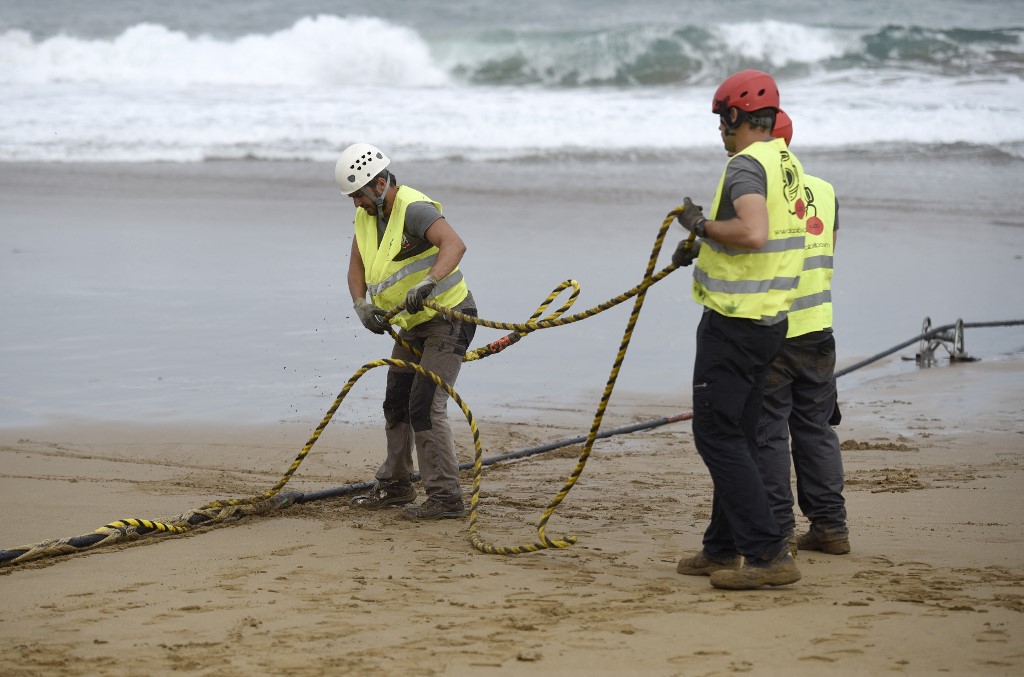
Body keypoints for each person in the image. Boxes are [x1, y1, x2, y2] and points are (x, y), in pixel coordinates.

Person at [670, 70, 807, 590]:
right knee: (740, 434)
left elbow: (753, 231)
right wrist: (706, 242)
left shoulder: (745, 166)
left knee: (717, 435)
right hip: (769, 320)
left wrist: (700, 226)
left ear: (734, 115)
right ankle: (722, 549)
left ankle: (768, 555)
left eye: (720, 119)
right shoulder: (785, 162)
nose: (719, 130)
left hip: (735, 322)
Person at [337, 143, 477, 520]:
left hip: (450, 319)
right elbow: (356, 268)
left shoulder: (413, 209)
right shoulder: (366, 218)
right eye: (352, 198)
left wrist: (429, 282)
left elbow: (454, 244)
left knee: (425, 405)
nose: (356, 204)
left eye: (358, 195)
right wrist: (361, 305)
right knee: (396, 401)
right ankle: (397, 486)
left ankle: (446, 498)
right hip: (412, 326)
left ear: (379, 184)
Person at [756, 111, 850, 555]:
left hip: (772, 330)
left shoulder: (755, 194)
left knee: (769, 434)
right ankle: (831, 527)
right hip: (818, 329)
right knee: (816, 429)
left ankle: (778, 534)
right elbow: (828, 250)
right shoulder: (825, 191)